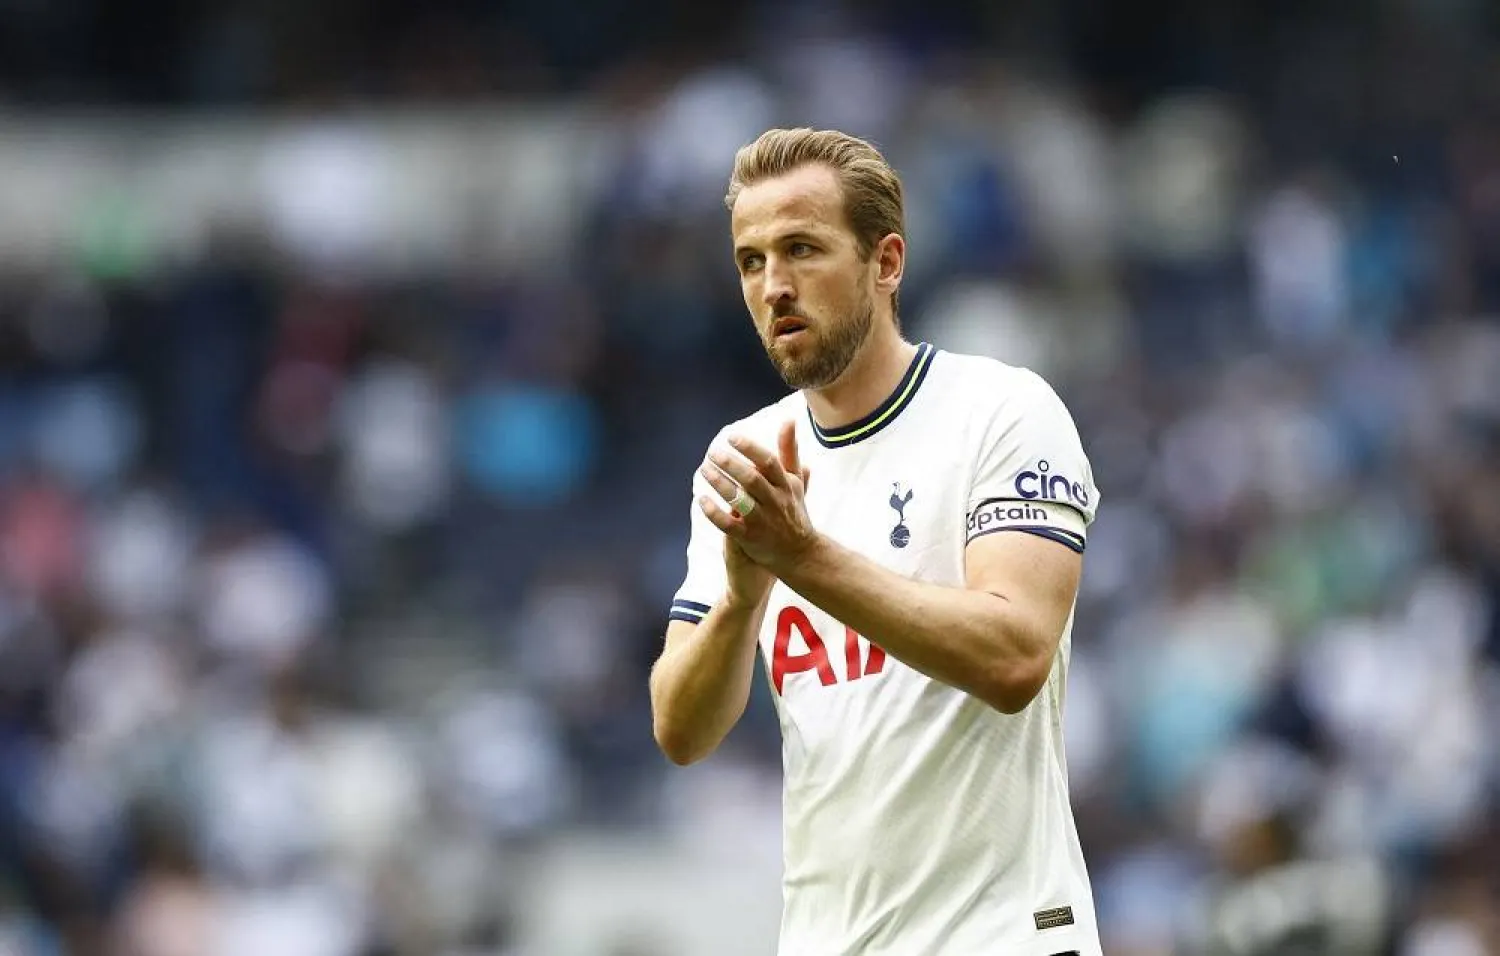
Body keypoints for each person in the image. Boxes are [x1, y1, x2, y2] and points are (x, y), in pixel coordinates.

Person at [648, 127, 1103, 956]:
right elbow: (682, 729)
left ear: (885, 262)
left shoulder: (1001, 412)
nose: (774, 286)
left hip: (1002, 938)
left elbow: (1014, 658)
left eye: (802, 249)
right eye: (751, 261)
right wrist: (745, 598)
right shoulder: (744, 459)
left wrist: (801, 558)